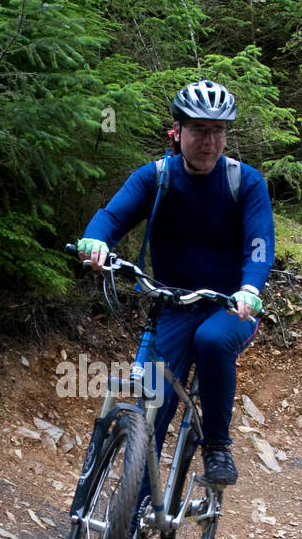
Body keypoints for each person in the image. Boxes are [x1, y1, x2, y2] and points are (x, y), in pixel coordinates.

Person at [76, 80, 274, 492]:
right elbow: (112, 217)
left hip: (230, 306)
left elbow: (259, 246)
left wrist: (250, 289)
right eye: (200, 130)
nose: (210, 140)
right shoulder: (157, 178)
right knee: (152, 409)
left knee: (213, 342)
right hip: (172, 305)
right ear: (177, 131)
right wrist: (95, 240)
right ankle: (133, 517)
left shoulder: (246, 182)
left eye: (219, 131)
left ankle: (217, 445)